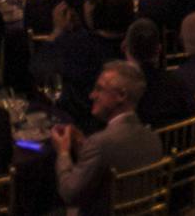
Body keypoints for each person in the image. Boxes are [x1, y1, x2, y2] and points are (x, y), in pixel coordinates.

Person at [52, 61, 163, 216]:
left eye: (99, 89)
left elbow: (69, 194)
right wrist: (84, 145)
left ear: (121, 95)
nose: (92, 95)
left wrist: (62, 152)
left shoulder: (100, 143)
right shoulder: (153, 139)